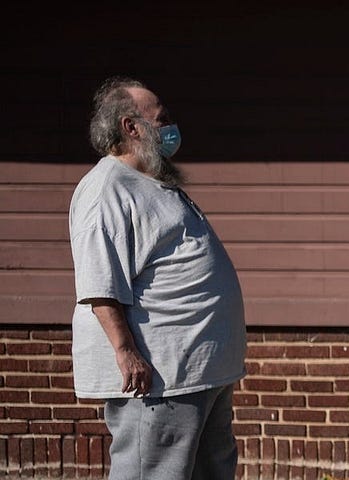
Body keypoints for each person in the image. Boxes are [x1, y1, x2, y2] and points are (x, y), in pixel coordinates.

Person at [70, 77, 246, 479]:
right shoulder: (107, 188)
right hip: (161, 375)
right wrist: (125, 351)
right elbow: (100, 281)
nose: (171, 128)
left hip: (201, 369)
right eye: (161, 118)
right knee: (152, 472)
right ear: (131, 127)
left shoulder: (153, 182)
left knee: (210, 469)